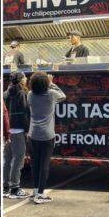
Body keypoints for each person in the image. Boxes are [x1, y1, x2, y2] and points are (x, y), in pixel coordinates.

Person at [27, 72, 66, 204]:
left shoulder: (29, 95)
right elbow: (63, 95)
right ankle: (40, 194)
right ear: (46, 83)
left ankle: (35, 190)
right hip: (47, 136)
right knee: (44, 165)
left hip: (33, 134)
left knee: (35, 164)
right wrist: (51, 83)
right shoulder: (51, 94)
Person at [3, 71, 30, 199]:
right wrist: (27, 128)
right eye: (25, 77)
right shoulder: (22, 93)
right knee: (18, 159)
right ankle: (15, 188)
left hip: (8, 131)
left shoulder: (6, 93)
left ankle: (5, 187)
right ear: (20, 80)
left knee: (7, 160)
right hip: (18, 130)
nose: (26, 78)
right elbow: (24, 113)